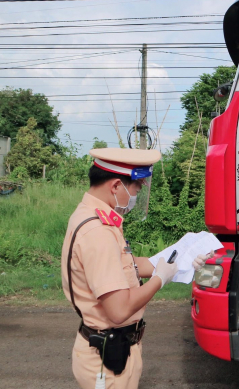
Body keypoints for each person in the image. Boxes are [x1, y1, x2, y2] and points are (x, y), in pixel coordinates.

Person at [62, 148, 207, 389]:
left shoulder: (94, 216)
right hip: (108, 356)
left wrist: (178, 260)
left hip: (114, 348)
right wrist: (160, 280)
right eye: (136, 189)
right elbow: (118, 310)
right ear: (116, 185)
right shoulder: (98, 231)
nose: (136, 197)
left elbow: (124, 264)